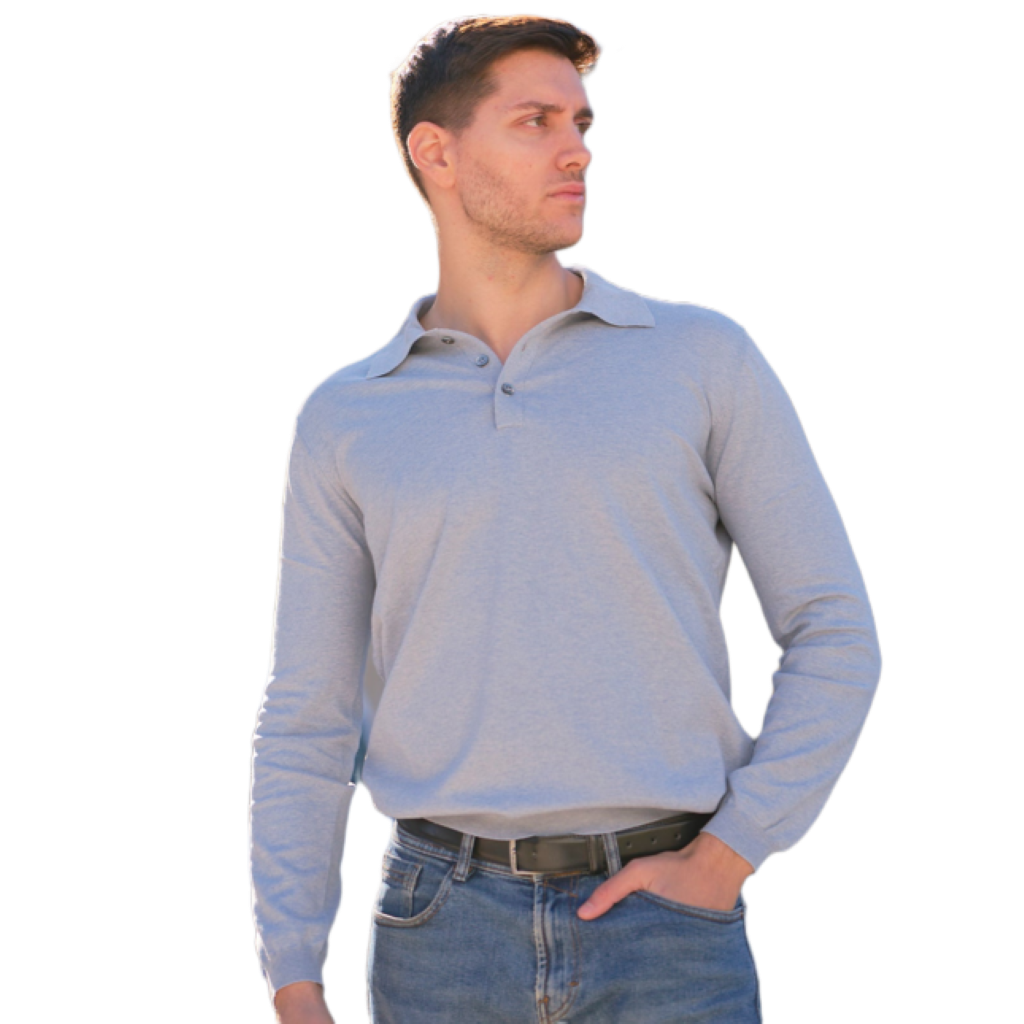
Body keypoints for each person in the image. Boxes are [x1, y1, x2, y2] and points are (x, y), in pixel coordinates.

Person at [247, 13, 883, 1023]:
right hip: (439, 934)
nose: (577, 149)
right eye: (535, 121)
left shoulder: (700, 356)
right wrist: (291, 972)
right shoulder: (344, 416)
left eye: (582, 122)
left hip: (671, 926)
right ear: (436, 151)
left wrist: (733, 849)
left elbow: (835, 629)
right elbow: (307, 713)